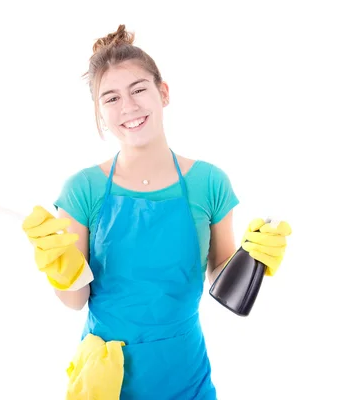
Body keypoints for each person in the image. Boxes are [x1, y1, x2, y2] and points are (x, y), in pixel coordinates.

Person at [21, 24, 292, 400]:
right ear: (99, 112)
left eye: (138, 90)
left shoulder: (210, 182)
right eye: (111, 98)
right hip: (108, 379)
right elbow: (74, 300)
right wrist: (58, 265)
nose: (128, 107)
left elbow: (220, 275)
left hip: (185, 371)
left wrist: (254, 258)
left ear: (163, 93)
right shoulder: (82, 189)